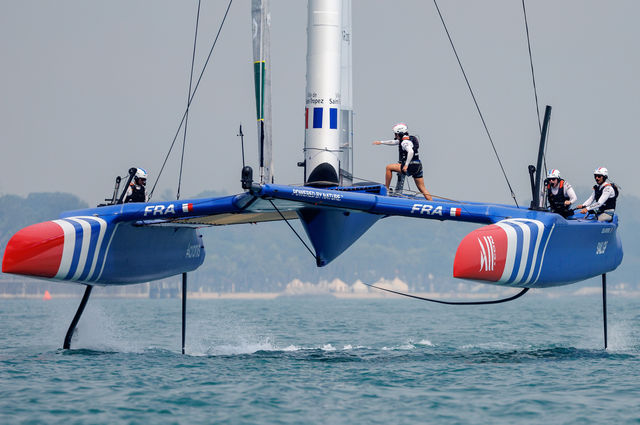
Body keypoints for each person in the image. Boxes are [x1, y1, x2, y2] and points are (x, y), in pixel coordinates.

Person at [372, 123, 432, 200]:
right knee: (422, 188)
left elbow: (410, 152)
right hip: (418, 165)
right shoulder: (409, 139)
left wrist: (406, 165)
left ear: (400, 134)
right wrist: (381, 142)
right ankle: (431, 202)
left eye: (396, 134)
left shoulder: (404, 142)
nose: (395, 136)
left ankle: (386, 189)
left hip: (410, 165)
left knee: (389, 167)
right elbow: (393, 142)